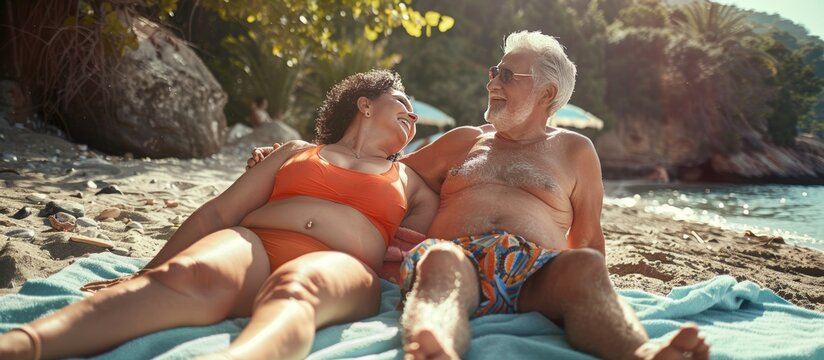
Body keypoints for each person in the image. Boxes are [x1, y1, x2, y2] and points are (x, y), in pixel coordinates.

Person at [247, 31, 710, 360]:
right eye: (494, 71)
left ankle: (643, 353)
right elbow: (374, 173)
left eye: (508, 75)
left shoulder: (575, 150)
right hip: (457, 257)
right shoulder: (465, 140)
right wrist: (298, 156)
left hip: (536, 272)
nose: (492, 81)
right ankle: (434, 345)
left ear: (547, 93)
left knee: (585, 267)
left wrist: (595, 290)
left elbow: (588, 238)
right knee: (439, 265)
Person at [0, 69, 438, 360]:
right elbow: (220, 212)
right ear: (365, 104)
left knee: (297, 288)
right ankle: (22, 345)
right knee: (186, 274)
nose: (413, 116)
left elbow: (420, 252)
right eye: (403, 102)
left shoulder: (412, 182)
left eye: (415, 116)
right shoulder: (296, 152)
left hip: (342, 267)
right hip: (255, 246)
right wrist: (149, 269)